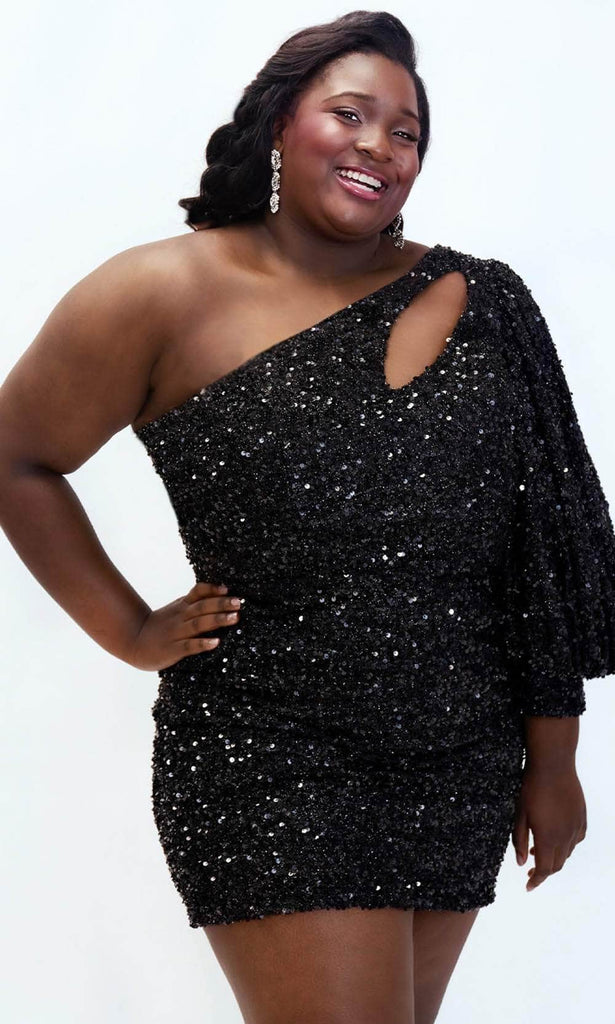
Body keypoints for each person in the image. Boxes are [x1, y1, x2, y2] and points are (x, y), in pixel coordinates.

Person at [1, 10, 614, 1024]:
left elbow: (541, 553)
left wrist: (554, 763)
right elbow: (18, 457)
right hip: (274, 751)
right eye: (350, 114)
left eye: (406, 132)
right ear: (281, 122)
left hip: (462, 756)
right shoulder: (163, 290)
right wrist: (130, 629)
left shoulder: (490, 302)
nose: (380, 146)